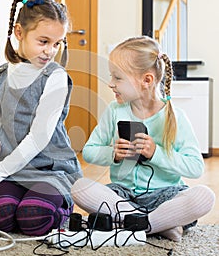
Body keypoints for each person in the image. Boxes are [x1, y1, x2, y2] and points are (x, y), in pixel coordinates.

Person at [71, 36, 215, 242]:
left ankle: (138, 222)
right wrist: (113, 154)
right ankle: (159, 224)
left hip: (166, 195)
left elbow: (195, 167)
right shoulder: (114, 111)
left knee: (204, 196)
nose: (111, 84)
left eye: (117, 78)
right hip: (124, 195)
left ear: (146, 80)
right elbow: (89, 151)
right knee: (79, 187)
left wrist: (157, 153)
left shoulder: (175, 117)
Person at [0, 0, 82, 236]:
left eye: (57, 43)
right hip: (14, 169)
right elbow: (1, 127)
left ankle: (64, 209)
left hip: (52, 169)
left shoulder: (55, 77)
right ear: (19, 32)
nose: (50, 51)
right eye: (43, 41)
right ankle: (31, 201)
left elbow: (39, 137)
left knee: (34, 218)